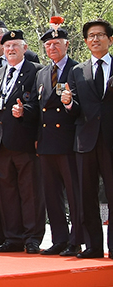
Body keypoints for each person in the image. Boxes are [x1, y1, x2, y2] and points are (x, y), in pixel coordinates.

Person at [61, 19, 113, 259]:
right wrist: (69, 103)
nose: (95, 39)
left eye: (100, 35)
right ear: (85, 42)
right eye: (91, 36)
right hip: (85, 141)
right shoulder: (78, 71)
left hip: (110, 140)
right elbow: (75, 108)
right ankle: (92, 247)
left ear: (110, 40)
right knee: (87, 195)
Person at [0, 30, 45, 254]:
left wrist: (26, 111)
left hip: (25, 142)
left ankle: (32, 238)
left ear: (25, 47)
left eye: (15, 45)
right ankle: (12, 237)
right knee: (7, 194)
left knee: (30, 192)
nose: (10, 49)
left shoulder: (37, 72)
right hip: (0, 145)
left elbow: (42, 107)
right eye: (7, 46)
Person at [32, 27, 83, 257]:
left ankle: (76, 240)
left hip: (68, 141)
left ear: (66, 44)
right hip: (46, 142)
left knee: (74, 194)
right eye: (48, 45)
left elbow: (82, 107)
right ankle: (59, 239)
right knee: (52, 195)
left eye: (56, 43)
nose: (52, 48)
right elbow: (39, 110)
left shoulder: (77, 70)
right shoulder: (42, 73)